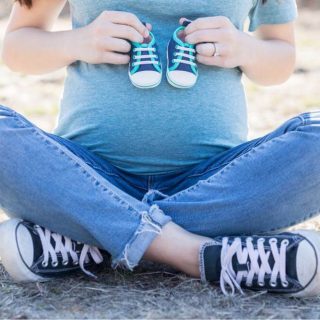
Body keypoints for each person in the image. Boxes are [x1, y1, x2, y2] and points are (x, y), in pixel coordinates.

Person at [1, 0, 319, 297]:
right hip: (90, 175)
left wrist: (246, 49)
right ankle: (195, 253)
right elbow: (16, 44)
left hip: (216, 183)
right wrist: (78, 41)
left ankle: (93, 236)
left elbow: (281, 55)